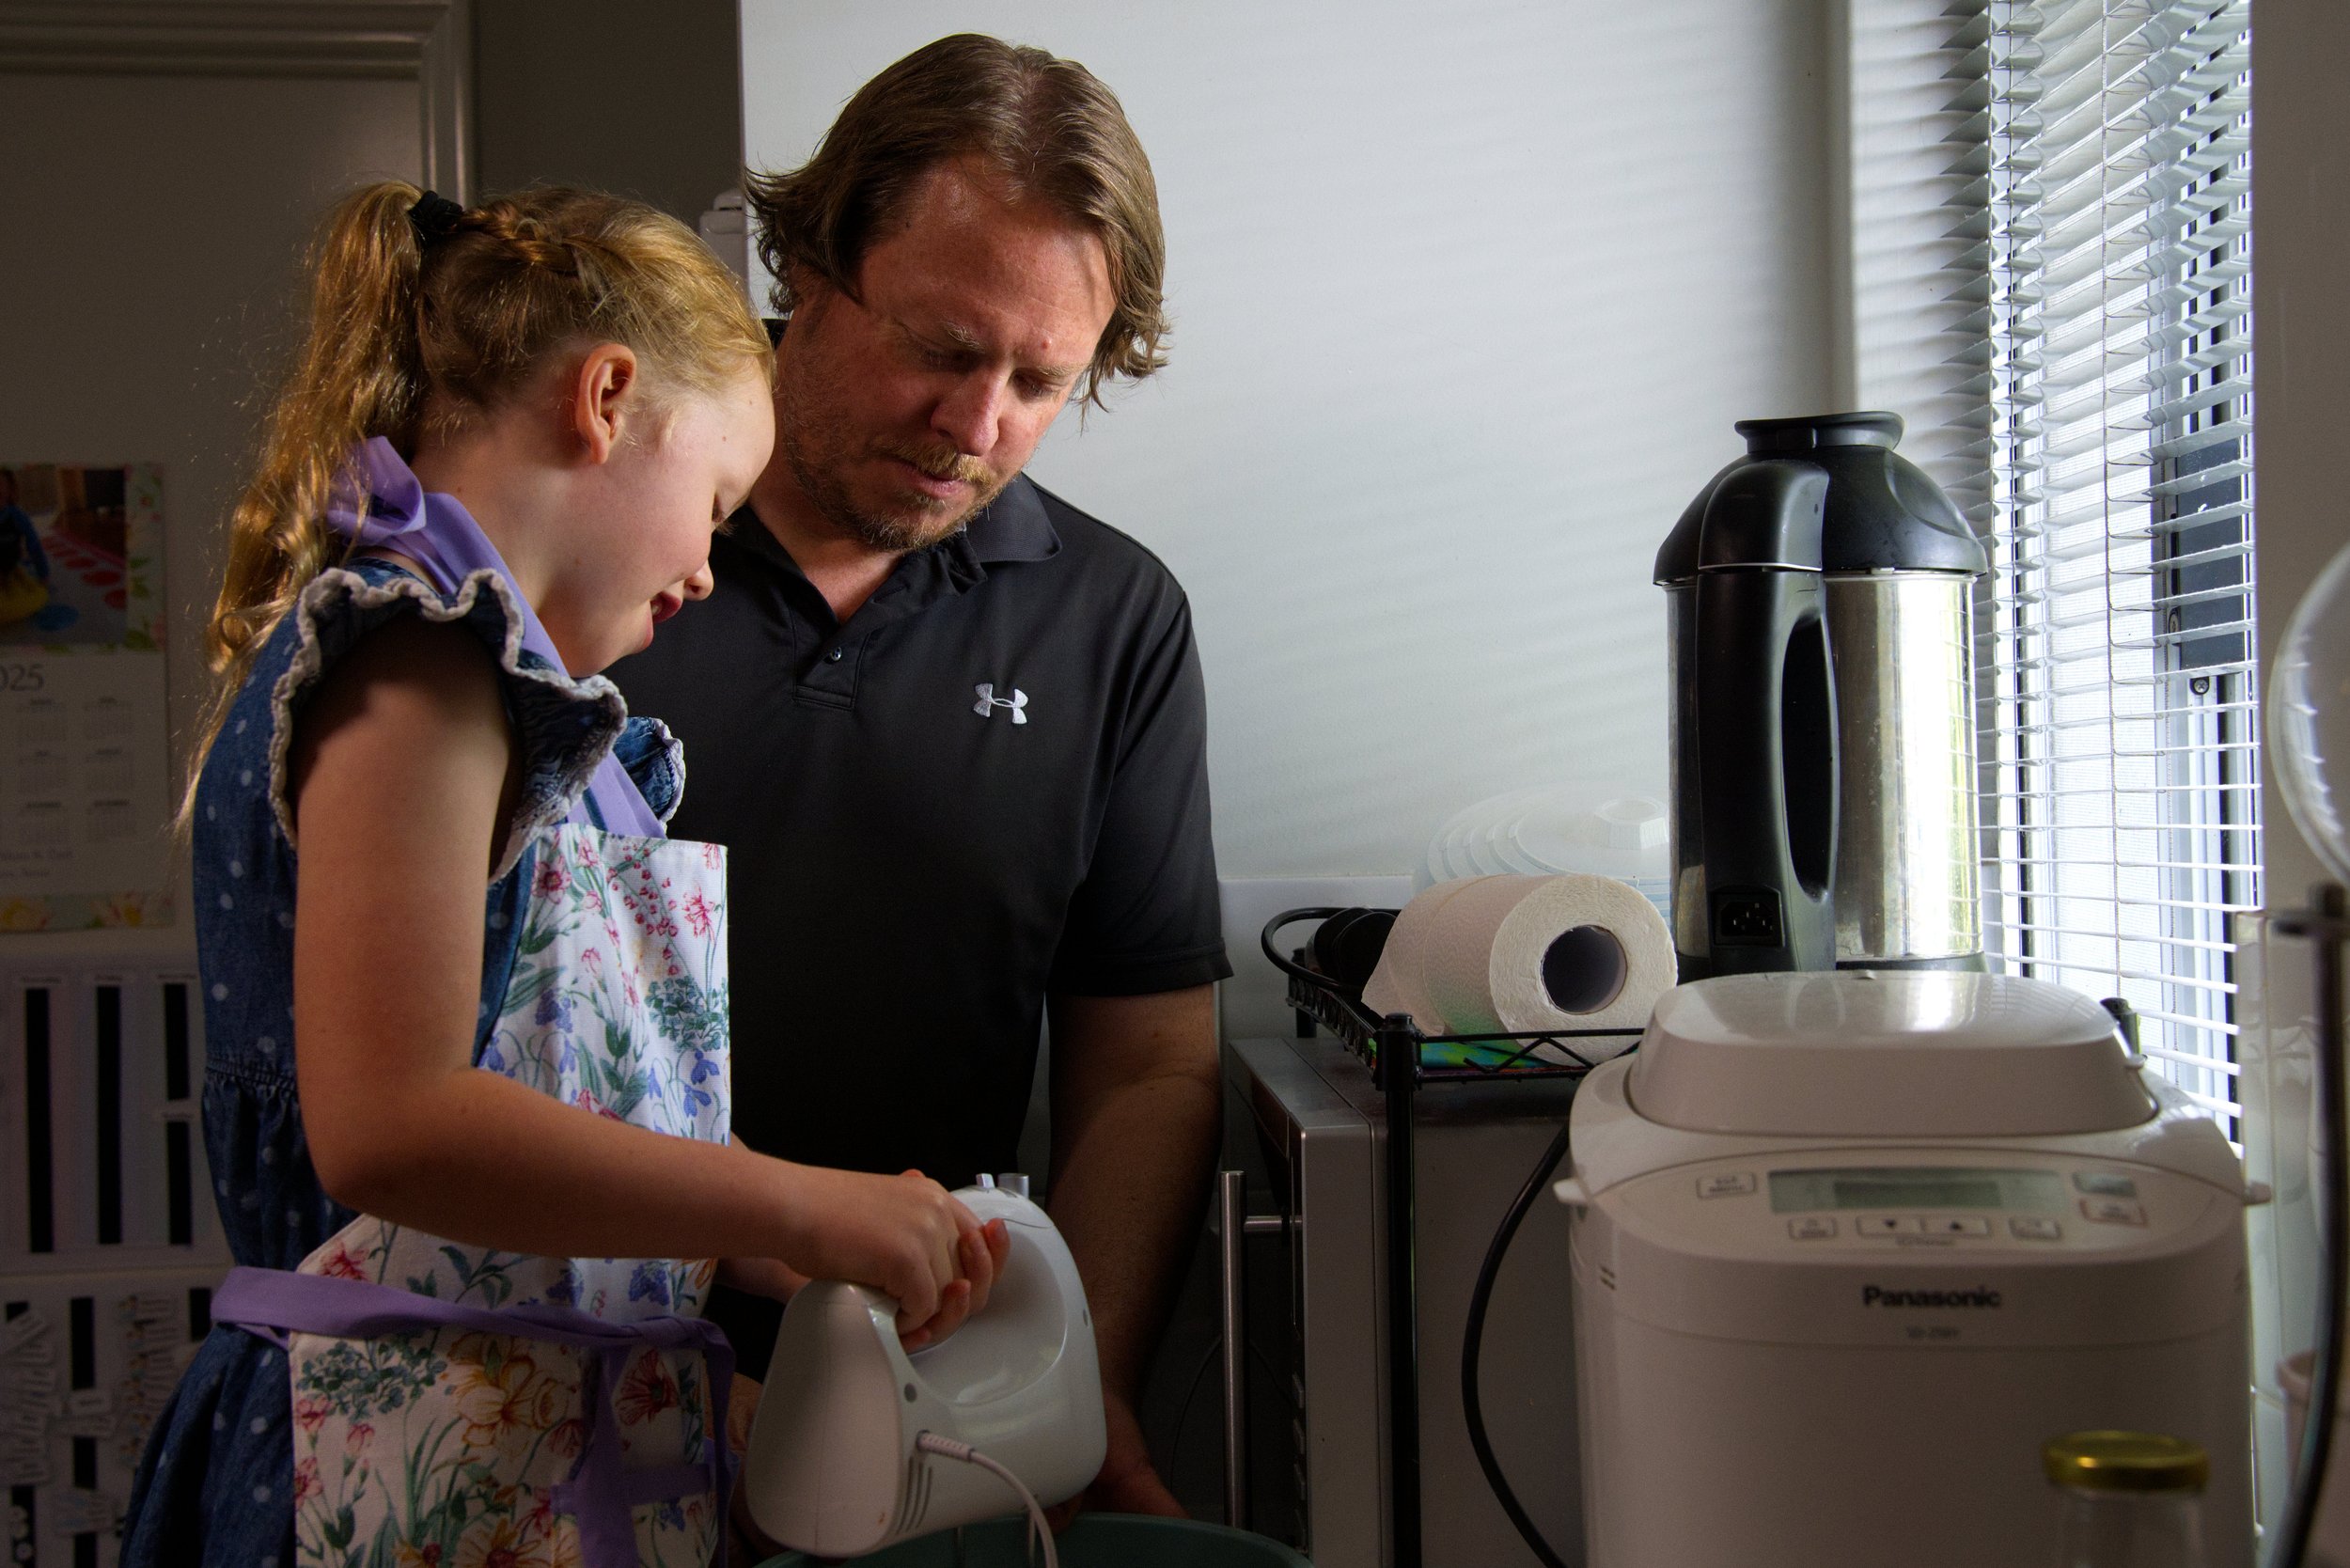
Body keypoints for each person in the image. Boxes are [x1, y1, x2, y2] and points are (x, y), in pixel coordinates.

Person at [121, 181, 1007, 1568]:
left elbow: (556, 1131)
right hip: (388, 1472)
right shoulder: (421, 664)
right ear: (605, 397)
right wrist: (792, 1200)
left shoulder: (546, 727)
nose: (711, 570)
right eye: (716, 502)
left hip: (523, 1470)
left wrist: (778, 1257)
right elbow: (393, 1127)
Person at [613, 33, 1227, 1524]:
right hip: (592, 1386)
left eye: (1040, 380)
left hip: (939, 1407)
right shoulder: (600, 559)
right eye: (945, 351)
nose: (978, 428)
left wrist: (1074, 1384)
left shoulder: (1111, 618)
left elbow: (1146, 1060)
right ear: (809, 263)